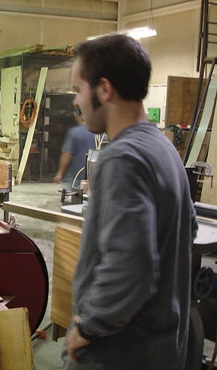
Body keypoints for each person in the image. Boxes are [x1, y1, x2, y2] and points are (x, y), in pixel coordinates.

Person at [62, 33, 198, 370]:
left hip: (121, 353)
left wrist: (89, 327)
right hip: (164, 347)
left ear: (104, 90)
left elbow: (131, 265)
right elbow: (188, 229)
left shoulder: (122, 158)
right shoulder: (164, 148)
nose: (77, 102)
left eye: (79, 90)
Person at [54, 110, 96, 189]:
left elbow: (67, 155)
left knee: (75, 198)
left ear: (80, 116)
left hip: (77, 177)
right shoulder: (100, 132)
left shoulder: (74, 132)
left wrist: (60, 173)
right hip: (95, 176)